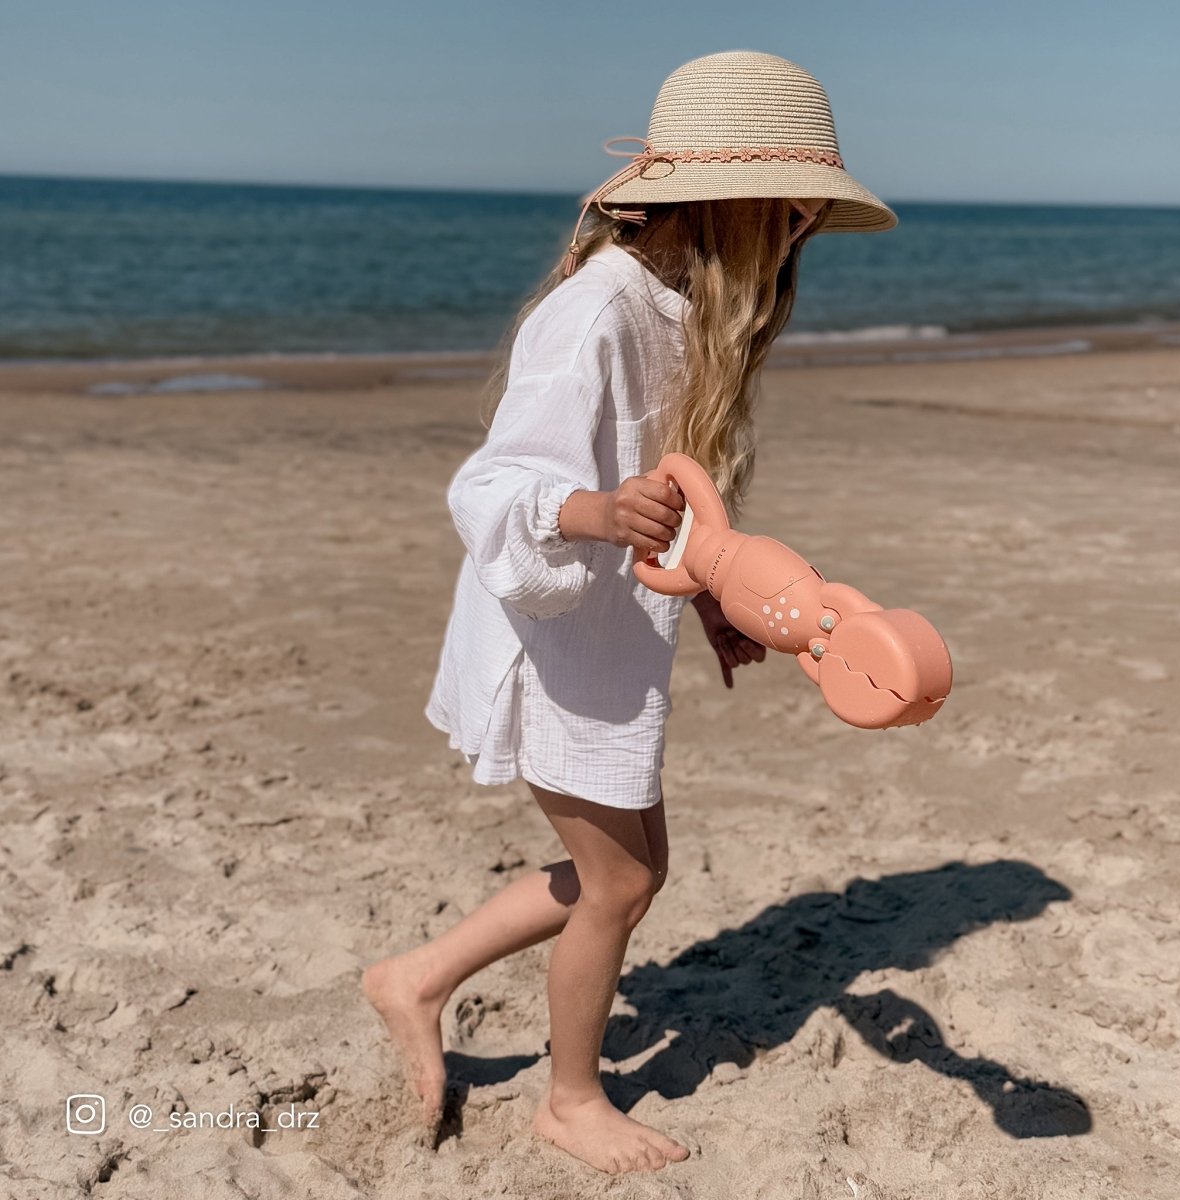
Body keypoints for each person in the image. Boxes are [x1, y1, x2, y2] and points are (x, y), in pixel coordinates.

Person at [363, 49, 898, 1176]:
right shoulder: (596, 312)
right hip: (550, 636)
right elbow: (492, 489)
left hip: (608, 632)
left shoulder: (684, 309)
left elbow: (681, 493)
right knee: (619, 880)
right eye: (792, 208)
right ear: (725, 200)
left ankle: (414, 977)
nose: (803, 230)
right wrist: (598, 511)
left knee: (632, 869)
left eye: (811, 212)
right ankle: (568, 1099)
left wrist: (711, 597)